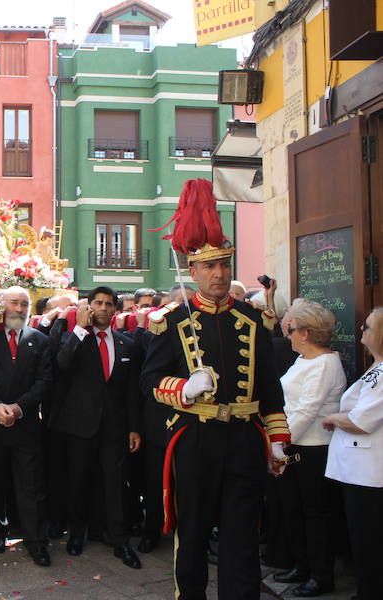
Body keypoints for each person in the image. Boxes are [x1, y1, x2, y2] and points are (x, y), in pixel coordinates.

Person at [140, 179, 290, 600]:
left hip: (244, 438)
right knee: (192, 534)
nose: (220, 274)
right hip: (196, 440)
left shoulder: (253, 319)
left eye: (225, 265)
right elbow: (149, 381)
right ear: (193, 271)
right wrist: (185, 388)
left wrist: (279, 441)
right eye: (210, 267)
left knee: (242, 540)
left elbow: (269, 388)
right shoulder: (170, 320)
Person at [50, 287, 143, 569]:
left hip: (115, 427)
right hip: (80, 425)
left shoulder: (127, 344)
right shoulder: (73, 337)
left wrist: (134, 428)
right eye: (98, 303)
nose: (103, 308)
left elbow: (131, 392)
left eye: (108, 304)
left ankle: (119, 540)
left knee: (115, 484)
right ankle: (77, 534)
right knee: (79, 480)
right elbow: (62, 364)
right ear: (89, 307)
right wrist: (79, 328)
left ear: (115, 309)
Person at [0, 286, 53, 567]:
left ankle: (36, 540)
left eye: (24, 304)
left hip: (25, 424)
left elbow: (44, 381)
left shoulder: (38, 339)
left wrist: (18, 408)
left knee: (31, 485)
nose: (19, 309)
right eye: (14, 303)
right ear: (0, 305)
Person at [272, 299, 345, 596]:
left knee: (316, 515)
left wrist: (279, 443)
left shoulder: (326, 363)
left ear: (305, 333)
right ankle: (302, 564)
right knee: (294, 510)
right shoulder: (303, 360)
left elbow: (307, 409)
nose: (287, 334)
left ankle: (321, 574)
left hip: (314, 450)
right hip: (293, 446)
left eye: (291, 330)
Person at [322, 308, 383, 600]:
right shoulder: (375, 367)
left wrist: (334, 418)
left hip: (368, 473)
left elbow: (361, 421)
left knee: (369, 542)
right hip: (355, 469)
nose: (362, 331)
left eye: (368, 326)